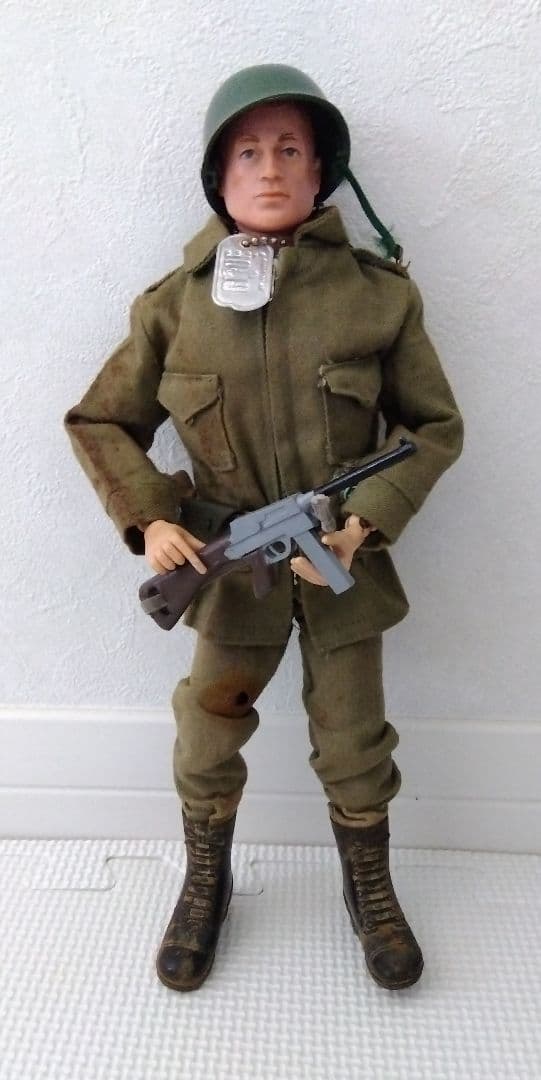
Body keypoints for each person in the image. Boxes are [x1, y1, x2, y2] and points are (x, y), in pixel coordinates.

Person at [65, 64, 463, 993]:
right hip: (228, 569)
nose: (271, 168)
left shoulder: (377, 297)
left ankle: (369, 888)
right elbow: (101, 422)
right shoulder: (174, 305)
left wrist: (362, 524)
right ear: (219, 175)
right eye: (247, 152)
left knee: (354, 737)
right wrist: (151, 519)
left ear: (322, 171)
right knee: (208, 733)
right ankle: (205, 881)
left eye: (290, 149)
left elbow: (432, 426)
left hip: (341, 569)